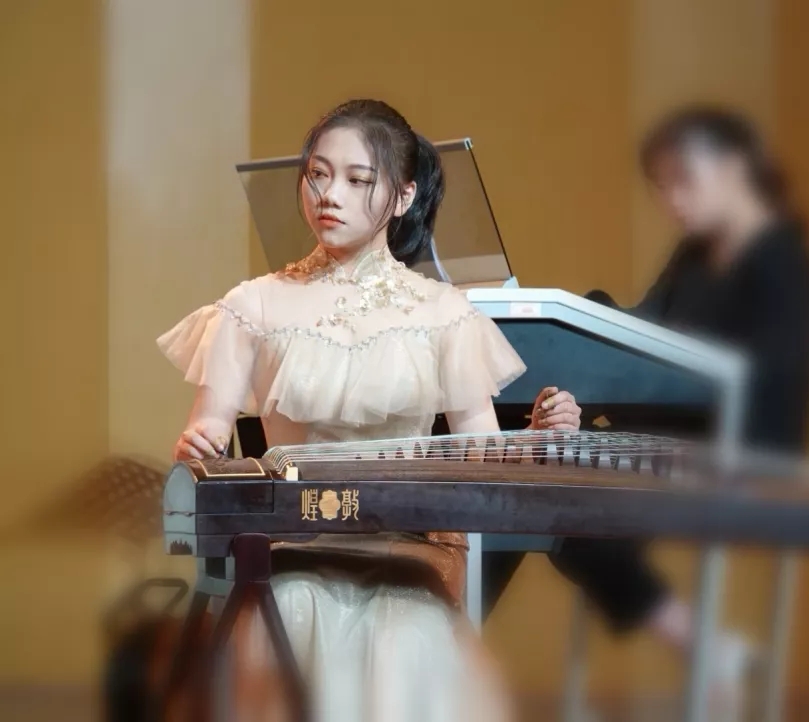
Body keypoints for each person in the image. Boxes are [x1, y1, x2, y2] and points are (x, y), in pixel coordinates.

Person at [157, 98, 582, 722]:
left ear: (403, 197)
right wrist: (198, 446)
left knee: (402, 628)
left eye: (358, 180)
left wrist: (540, 435)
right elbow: (207, 436)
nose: (329, 195)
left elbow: (480, 455)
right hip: (295, 540)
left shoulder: (442, 313)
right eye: (317, 174)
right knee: (293, 605)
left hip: (408, 544)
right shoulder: (252, 307)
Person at [483, 105, 809, 715]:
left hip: (737, 447)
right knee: (527, 460)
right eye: (662, 186)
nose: (672, 200)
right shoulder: (694, 255)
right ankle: (446, 648)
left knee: (557, 495)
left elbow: (767, 394)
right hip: (654, 431)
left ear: (735, 166)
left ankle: (703, 648)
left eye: (682, 181)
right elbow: (642, 332)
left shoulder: (782, 262)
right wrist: (587, 320)